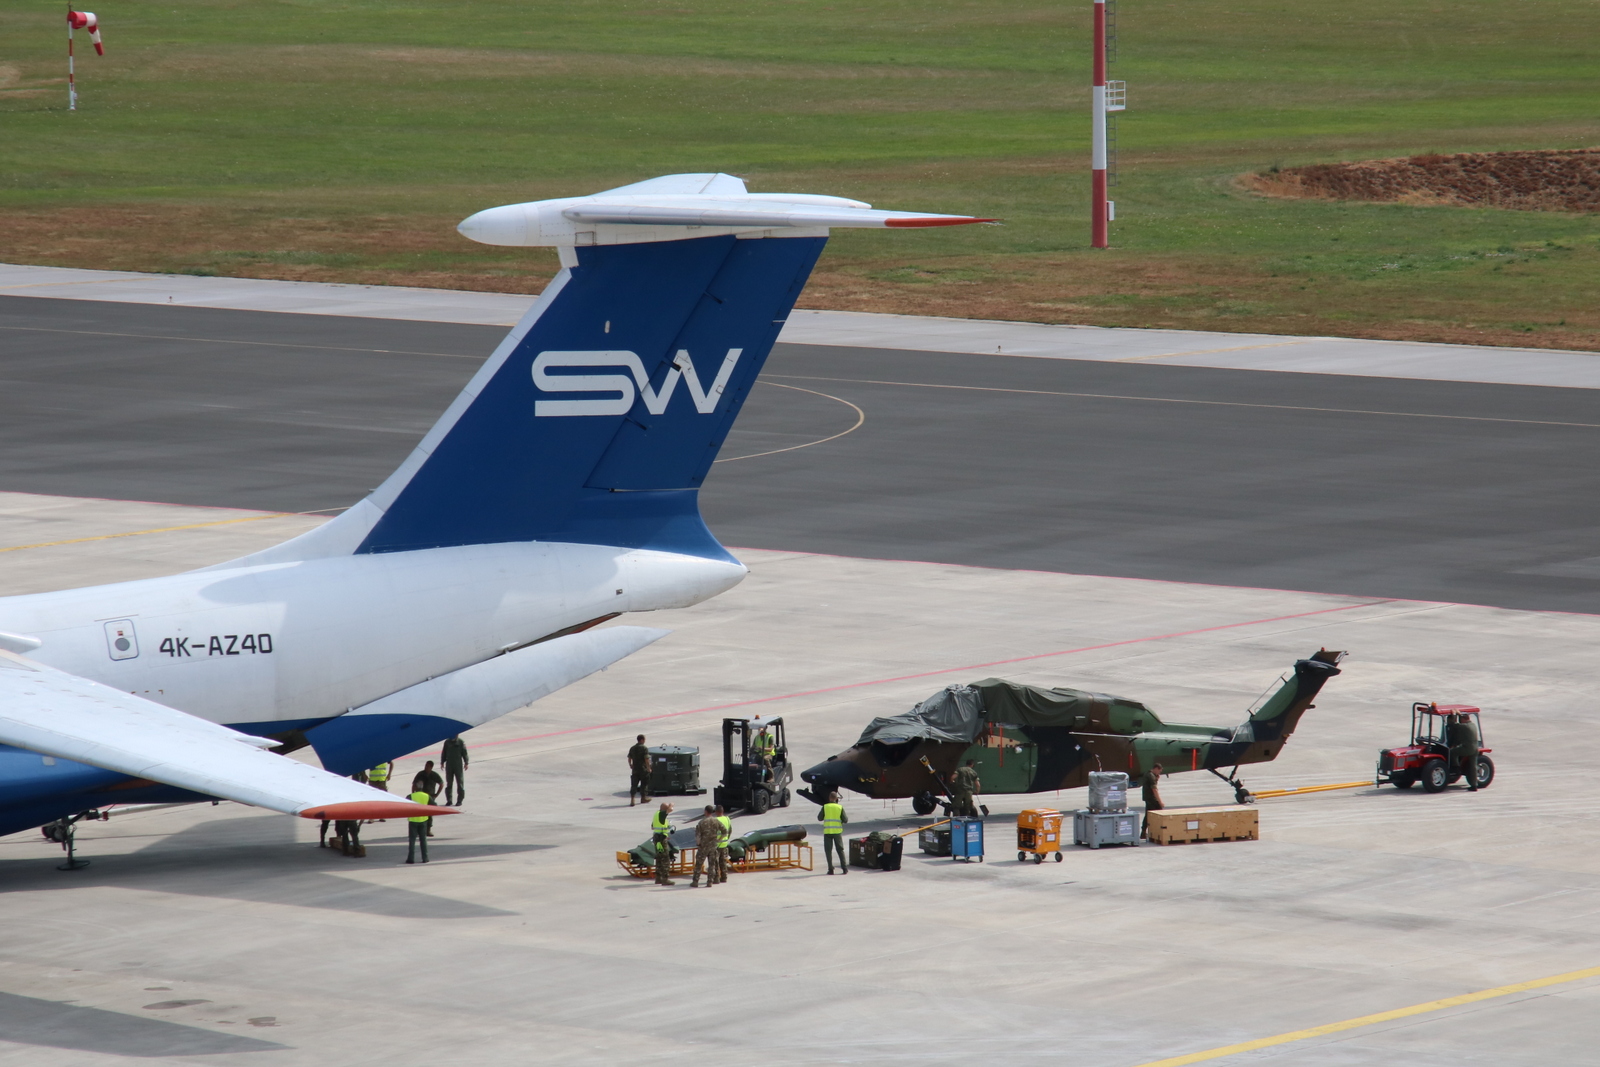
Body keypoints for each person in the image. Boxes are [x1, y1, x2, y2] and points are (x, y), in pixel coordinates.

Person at [1447, 713, 1482, 791]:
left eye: (1461, 719)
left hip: (1468, 748)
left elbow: (1453, 725)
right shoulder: (1473, 725)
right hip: (1475, 748)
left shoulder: (1465, 726)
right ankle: (1474, 785)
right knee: (1473, 767)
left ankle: (1456, 767)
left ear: (1463, 719)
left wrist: (1454, 715)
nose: (1460, 721)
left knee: (1452, 752)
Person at [818, 792, 849, 875]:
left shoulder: (825, 807)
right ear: (836, 798)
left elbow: (819, 818)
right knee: (840, 850)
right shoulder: (840, 807)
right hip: (837, 832)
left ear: (829, 798)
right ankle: (844, 868)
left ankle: (830, 869)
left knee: (828, 851)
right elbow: (845, 820)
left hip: (828, 832)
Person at [690, 805, 721, 887]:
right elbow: (724, 831)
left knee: (699, 864)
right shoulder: (716, 821)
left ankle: (695, 881)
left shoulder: (701, 822)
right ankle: (710, 882)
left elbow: (698, 836)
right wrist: (719, 839)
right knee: (712, 865)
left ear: (706, 811)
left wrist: (698, 844)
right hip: (713, 846)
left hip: (703, 847)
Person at [412, 760, 444, 836]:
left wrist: (437, 794)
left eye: (427, 766)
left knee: (429, 814)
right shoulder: (420, 774)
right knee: (419, 814)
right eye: (425, 765)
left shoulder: (434, 775)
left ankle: (428, 830)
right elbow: (414, 784)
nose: (426, 767)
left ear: (431, 767)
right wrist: (413, 794)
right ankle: (418, 830)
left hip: (430, 797)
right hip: (420, 797)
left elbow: (441, 784)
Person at [651, 801, 676, 885]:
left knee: (659, 858)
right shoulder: (661, 814)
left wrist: (667, 827)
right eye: (666, 809)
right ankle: (665, 879)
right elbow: (670, 809)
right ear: (663, 809)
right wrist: (671, 804)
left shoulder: (656, 814)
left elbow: (652, 826)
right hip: (661, 838)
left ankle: (658, 878)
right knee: (665, 859)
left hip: (656, 837)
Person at [441, 735, 469, 806]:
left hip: (458, 765)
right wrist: (442, 762)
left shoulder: (460, 742)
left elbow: (464, 753)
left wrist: (466, 762)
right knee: (449, 783)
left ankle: (459, 800)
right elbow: (444, 752)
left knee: (460, 783)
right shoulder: (447, 742)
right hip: (449, 765)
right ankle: (449, 800)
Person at [405, 789, 431, 864]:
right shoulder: (426, 796)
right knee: (423, 840)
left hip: (413, 821)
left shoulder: (410, 796)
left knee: (412, 840)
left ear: (415, 788)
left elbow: (405, 806)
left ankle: (411, 859)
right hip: (423, 820)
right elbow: (433, 805)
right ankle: (425, 858)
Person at [1140, 763, 1165, 839]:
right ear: (1156, 769)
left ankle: (1144, 832)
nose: (1159, 773)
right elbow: (1154, 790)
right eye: (1159, 771)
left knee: (1148, 814)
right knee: (1159, 811)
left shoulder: (1148, 773)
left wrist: (1156, 778)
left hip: (1147, 797)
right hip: (1151, 798)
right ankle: (1157, 831)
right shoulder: (1151, 776)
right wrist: (1160, 802)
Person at [628, 735, 653, 807]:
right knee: (644, 784)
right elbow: (646, 759)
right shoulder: (644, 748)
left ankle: (632, 799)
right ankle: (643, 798)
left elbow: (629, 758)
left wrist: (630, 764)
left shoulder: (632, 748)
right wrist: (648, 768)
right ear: (642, 740)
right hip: (643, 769)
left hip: (635, 769)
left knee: (634, 784)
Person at [713, 805, 733, 883]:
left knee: (716, 862)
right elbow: (730, 830)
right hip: (724, 844)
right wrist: (727, 838)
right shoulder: (727, 819)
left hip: (717, 844)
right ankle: (724, 877)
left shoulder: (715, 820)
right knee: (723, 862)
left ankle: (716, 878)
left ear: (716, 812)